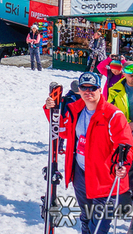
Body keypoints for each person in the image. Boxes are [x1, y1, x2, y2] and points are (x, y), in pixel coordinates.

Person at [45, 72, 133, 234]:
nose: (88, 92)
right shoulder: (75, 111)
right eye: (84, 88)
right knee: (86, 218)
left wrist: (123, 165)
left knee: (99, 225)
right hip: (81, 174)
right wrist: (51, 109)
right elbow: (62, 130)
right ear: (79, 90)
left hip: (104, 178)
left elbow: (125, 143)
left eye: (92, 88)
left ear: (100, 89)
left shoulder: (113, 115)